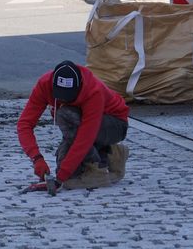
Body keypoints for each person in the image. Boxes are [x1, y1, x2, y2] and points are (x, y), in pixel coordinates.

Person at [17, 60, 130, 192]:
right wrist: (37, 158)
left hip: (115, 125)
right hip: (84, 127)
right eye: (60, 97)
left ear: (79, 86)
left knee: (65, 114)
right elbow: (24, 124)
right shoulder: (44, 85)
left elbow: (85, 137)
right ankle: (111, 153)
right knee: (70, 174)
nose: (64, 100)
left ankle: (96, 171)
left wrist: (60, 179)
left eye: (69, 97)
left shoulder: (93, 91)